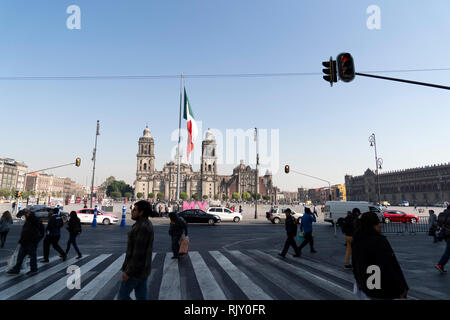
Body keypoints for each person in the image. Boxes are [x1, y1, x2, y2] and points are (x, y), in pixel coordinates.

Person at [352, 211, 408, 300]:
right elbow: (390, 266)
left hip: (368, 286)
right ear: (373, 225)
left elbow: (355, 263)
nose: (380, 225)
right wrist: (401, 288)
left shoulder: (357, 239)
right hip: (383, 288)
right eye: (378, 223)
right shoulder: (379, 241)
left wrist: (358, 280)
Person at [119, 200, 154, 300]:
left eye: (134, 210)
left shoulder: (142, 227)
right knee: (141, 296)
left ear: (141, 212)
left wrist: (128, 272)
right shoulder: (145, 224)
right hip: (143, 269)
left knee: (122, 296)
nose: (132, 211)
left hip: (135, 271)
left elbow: (138, 252)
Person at [7, 210, 45, 276]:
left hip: (31, 242)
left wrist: (37, 239)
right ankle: (17, 269)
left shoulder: (34, 220)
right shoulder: (28, 220)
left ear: (29, 213)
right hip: (24, 241)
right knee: (20, 256)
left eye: (26, 214)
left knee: (32, 256)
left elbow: (42, 231)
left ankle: (34, 269)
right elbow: (18, 215)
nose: (25, 215)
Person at [435, 205, 450, 273]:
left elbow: (438, 224)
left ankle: (441, 266)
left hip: (444, 234)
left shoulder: (441, 214)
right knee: (448, 252)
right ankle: (440, 264)